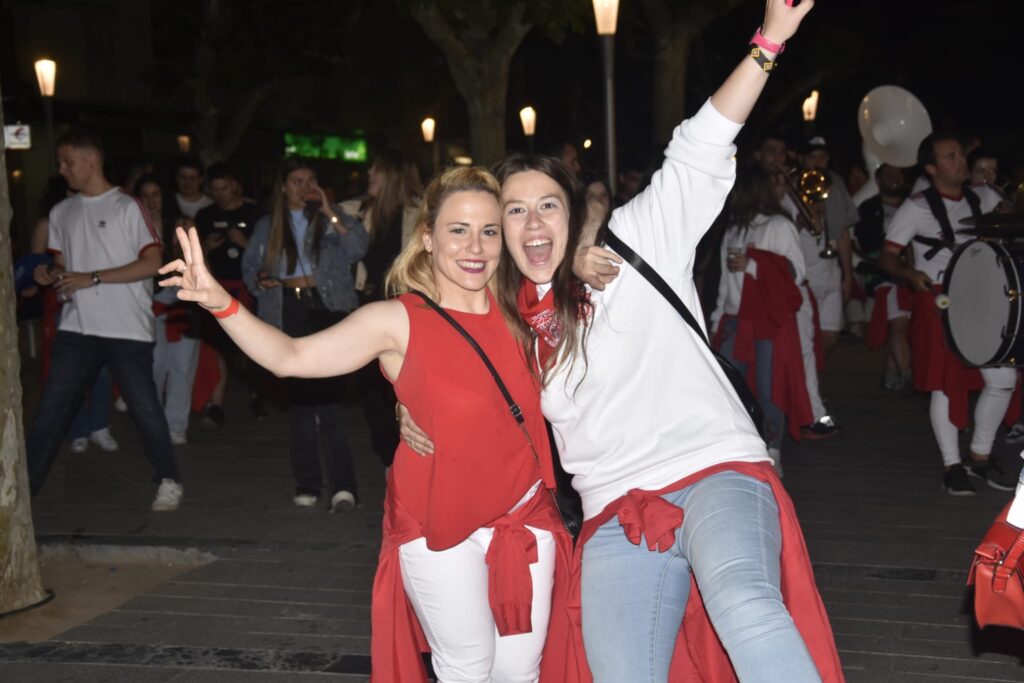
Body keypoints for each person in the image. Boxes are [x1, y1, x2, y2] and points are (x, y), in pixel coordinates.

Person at [404, 3, 842, 680]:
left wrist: (770, 40)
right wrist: (409, 402)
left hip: (715, 468)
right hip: (613, 508)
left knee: (744, 601)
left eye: (548, 204)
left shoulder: (638, 241)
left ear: (573, 210)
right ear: (498, 232)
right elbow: (439, 363)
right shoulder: (506, 322)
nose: (533, 223)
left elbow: (699, 145)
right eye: (514, 211)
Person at [161, 166, 574, 682]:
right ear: (428, 237)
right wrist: (220, 302)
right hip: (437, 523)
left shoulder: (524, 311)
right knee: (467, 667)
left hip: (524, 519)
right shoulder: (396, 320)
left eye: (489, 230)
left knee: (521, 673)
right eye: (458, 229)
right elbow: (290, 357)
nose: (475, 246)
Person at [28, 130, 183, 511]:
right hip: (77, 325)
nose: (62, 169)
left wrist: (93, 277)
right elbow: (63, 263)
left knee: (144, 408)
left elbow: (152, 263)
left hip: (125, 327)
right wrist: (50, 273)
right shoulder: (61, 212)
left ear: (90, 161)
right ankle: (23, 492)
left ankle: (169, 479)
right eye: (60, 163)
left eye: (68, 162)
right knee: (51, 410)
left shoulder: (128, 206)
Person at [879, 133, 1018, 495]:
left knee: (1003, 377)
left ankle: (979, 454)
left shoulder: (984, 197)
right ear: (931, 168)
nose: (960, 162)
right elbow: (887, 256)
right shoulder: (916, 207)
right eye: (951, 157)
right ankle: (951, 464)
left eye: (960, 155)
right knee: (944, 383)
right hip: (938, 298)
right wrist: (910, 274)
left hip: (982, 298)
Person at [241, 159, 368, 510]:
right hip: (288, 309)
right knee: (300, 405)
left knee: (329, 403)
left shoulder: (331, 219)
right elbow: (250, 269)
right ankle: (308, 482)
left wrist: (329, 211)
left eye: (310, 180)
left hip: (327, 309)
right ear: (283, 187)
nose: (305, 186)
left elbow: (358, 248)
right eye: (297, 181)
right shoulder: (268, 225)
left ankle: (343, 486)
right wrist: (260, 280)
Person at [710, 165, 810, 475]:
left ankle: (773, 448)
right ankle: (737, 449)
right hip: (735, 319)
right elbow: (725, 282)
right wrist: (716, 321)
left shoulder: (779, 226)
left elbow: (797, 273)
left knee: (769, 389)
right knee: (728, 388)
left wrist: (754, 264)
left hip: (767, 322)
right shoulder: (733, 230)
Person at [340, 151, 422, 469]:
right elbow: (333, 211)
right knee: (369, 384)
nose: (369, 176)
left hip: (404, 308)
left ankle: (410, 453)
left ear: (392, 176)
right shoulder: (362, 211)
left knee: (403, 384)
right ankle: (388, 457)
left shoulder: (421, 213)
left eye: (375, 172)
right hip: (367, 304)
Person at [754, 134, 839, 439]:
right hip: (764, 285)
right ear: (759, 155)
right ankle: (800, 414)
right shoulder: (754, 190)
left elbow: (806, 229)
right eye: (771, 151)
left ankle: (811, 414)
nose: (778, 159)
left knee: (803, 350)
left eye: (781, 152)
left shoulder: (794, 186)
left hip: (789, 283)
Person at [194, 162, 265, 424]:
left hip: (248, 288)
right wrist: (206, 248)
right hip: (217, 287)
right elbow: (193, 255)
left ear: (235, 185)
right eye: (214, 190)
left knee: (252, 345)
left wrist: (243, 242)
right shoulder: (205, 215)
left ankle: (258, 397)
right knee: (215, 348)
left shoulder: (255, 214)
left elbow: (267, 255)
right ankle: (216, 405)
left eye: (224, 188)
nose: (220, 194)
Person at [136, 174, 199, 445]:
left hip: (183, 305)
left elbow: (197, 264)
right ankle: (154, 423)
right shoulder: (133, 227)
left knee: (182, 368)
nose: (151, 201)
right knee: (154, 367)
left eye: (156, 195)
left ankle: (176, 424)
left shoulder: (182, 225)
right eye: (145, 195)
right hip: (146, 306)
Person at [852, 163, 912, 391]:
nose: (894, 178)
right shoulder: (868, 208)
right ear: (878, 180)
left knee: (899, 324)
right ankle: (907, 374)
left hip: (910, 271)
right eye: (889, 174)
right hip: (883, 274)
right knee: (898, 324)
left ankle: (891, 373)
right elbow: (863, 244)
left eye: (898, 173)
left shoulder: (913, 205)